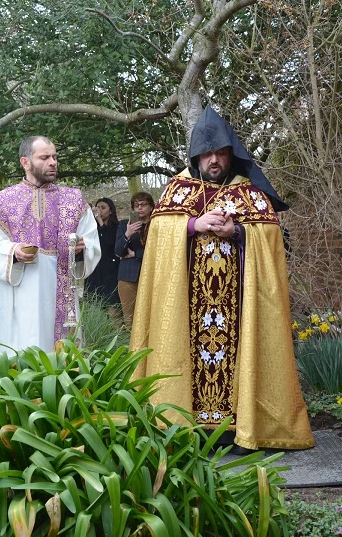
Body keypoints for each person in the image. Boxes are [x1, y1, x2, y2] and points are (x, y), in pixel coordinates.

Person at [130, 107, 313, 451]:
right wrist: (192, 224)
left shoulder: (250, 194)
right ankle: (186, 428)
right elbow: (157, 234)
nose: (213, 160)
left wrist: (239, 231)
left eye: (220, 152)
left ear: (231, 154)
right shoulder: (177, 190)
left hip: (240, 309)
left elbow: (273, 240)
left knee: (241, 359)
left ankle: (242, 429)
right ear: (196, 156)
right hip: (187, 308)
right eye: (207, 153)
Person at [0, 136, 101, 352]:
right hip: (17, 290)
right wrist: (12, 250)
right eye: (44, 157)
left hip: (60, 290)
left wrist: (81, 250)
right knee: (19, 348)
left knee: (60, 357)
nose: (52, 162)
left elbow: (91, 241)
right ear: (25, 162)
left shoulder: (73, 200)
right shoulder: (0, 202)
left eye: (54, 157)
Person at [114, 191, 155, 329]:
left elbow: (158, 250)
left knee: (150, 317)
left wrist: (136, 254)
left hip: (150, 275)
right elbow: (118, 251)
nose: (140, 208)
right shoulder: (124, 225)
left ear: (151, 206)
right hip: (127, 277)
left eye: (143, 204)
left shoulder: (156, 225)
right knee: (130, 320)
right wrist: (127, 234)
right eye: (136, 205)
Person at [85, 197, 121, 313]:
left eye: (103, 208)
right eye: (98, 207)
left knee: (112, 305)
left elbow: (110, 243)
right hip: (95, 271)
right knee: (94, 305)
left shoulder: (117, 227)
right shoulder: (92, 229)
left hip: (110, 271)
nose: (99, 210)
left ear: (110, 211)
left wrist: (101, 222)